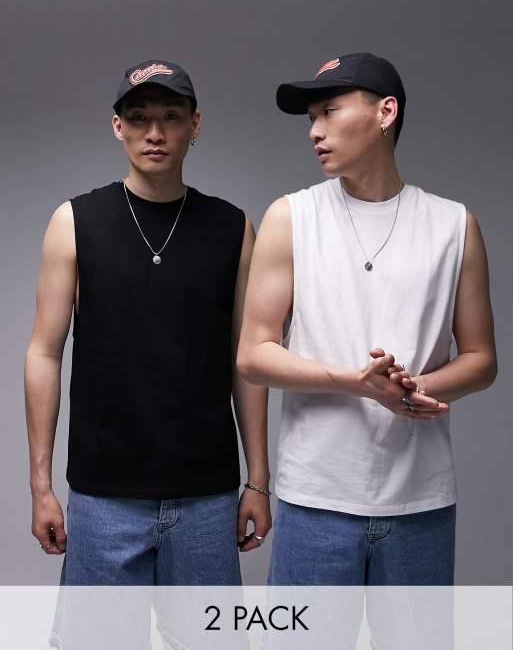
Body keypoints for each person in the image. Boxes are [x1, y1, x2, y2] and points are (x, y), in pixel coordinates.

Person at [237, 52, 497, 587]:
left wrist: (411, 389)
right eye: (311, 118)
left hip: (421, 503)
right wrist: (355, 381)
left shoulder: (454, 225)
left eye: (329, 112)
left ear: (386, 112)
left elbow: (481, 359)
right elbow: (253, 355)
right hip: (315, 499)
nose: (314, 131)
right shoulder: (292, 217)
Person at [24, 59, 272, 591]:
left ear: (194, 124)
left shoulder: (233, 228)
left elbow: (247, 361)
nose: (154, 133)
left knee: (209, 633)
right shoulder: (75, 222)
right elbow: (44, 353)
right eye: (138, 118)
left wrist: (258, 479)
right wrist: (40, 486)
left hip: (207, 494)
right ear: (118, 126)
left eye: (171, 117)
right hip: (104, 495)